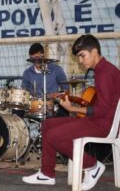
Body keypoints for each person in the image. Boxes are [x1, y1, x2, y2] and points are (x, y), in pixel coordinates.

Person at [22, 34, 120, 190]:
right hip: (97, 120)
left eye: (82, 56)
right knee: (48, 124)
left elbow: (103, 110)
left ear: (94, 51)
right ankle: (47, 174)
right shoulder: (102, 70)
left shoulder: (105, 73)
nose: (80, 61)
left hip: (104, 125)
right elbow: (101, 105)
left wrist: (72, 108)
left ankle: (92, 166)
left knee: (54, 136)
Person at [21, 43, 69, 116]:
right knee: (17, 111)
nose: (35, 61)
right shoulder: (27, 73)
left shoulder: (56, 69)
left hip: (53, 104)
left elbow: (66, 90)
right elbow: (24, 93)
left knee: (64, 112)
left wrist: (57, 95)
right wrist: (32, 97)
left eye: (37, 58)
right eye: (32, 59)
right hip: (35, 106)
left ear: (43, 55)